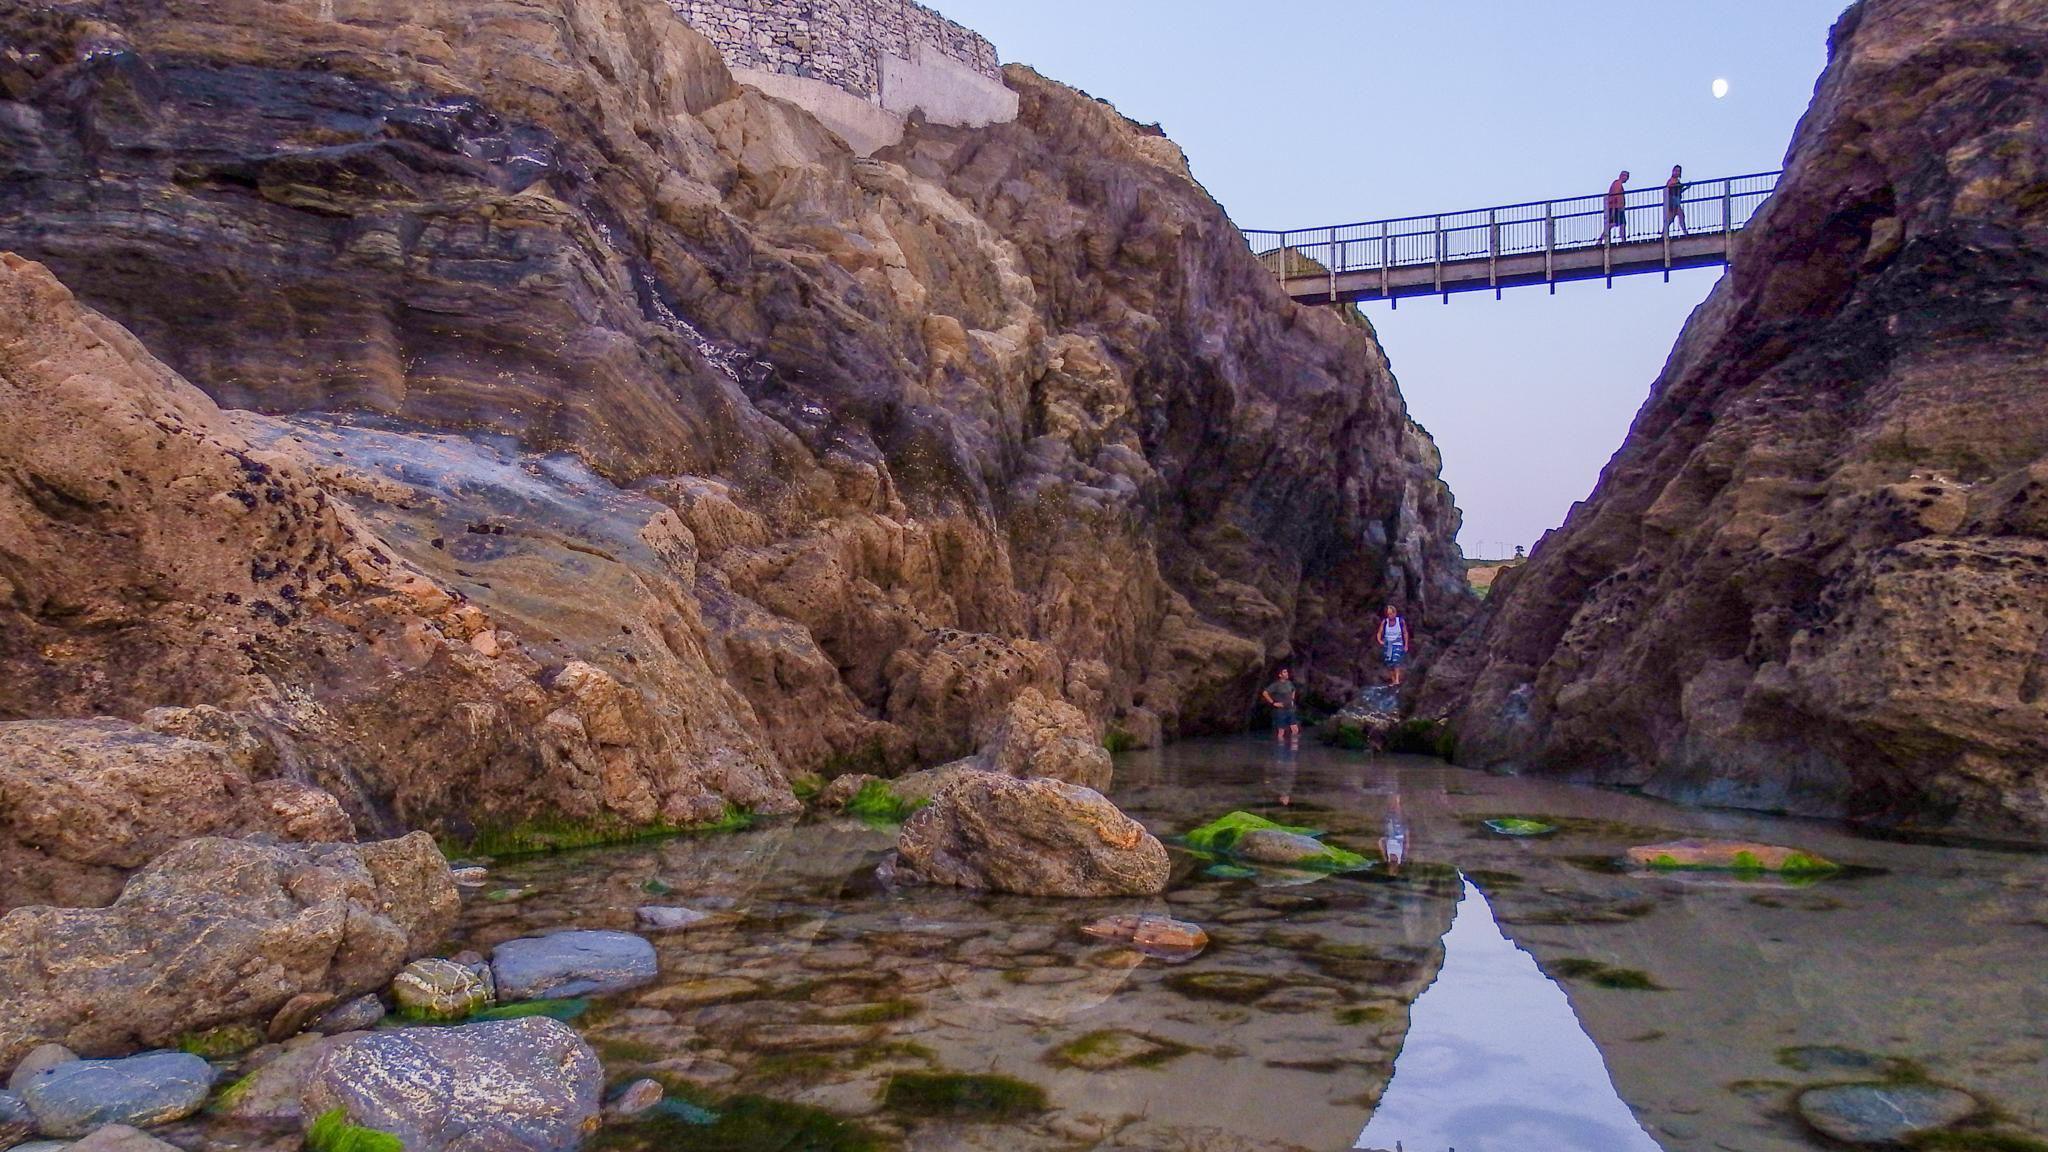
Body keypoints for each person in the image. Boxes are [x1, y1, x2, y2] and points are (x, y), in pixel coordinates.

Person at [1260, 667, 1301, 751]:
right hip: (1281, 711)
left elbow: (1293, 690)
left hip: (1290, 709)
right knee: (1281, 732)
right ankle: (1280, 749)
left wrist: (1292, 700)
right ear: (1280, 675)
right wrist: (1273, 703)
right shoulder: (1276, 685)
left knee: (1295, 730)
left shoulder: (1289, 683)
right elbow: (1265, 693)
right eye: (1284, 672)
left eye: (1287, 672)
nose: (1287, 674)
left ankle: (1293, 748)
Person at [1376, 605, 1409, 687]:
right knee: (1389, 662)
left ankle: (1397, 679)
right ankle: (1393, 680)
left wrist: (1406, 645)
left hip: (1397, 643)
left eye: (1391, 613)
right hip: (1388, 644)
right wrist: (1380, 640)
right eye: (1388, 614)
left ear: (1395, 613)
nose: (1390, 615)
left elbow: (1405, 632)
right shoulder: (1385, 622)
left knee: (1396, 660)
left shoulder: (1400, 621)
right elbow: (1379, 632)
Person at [1600, 170, 1630, 243]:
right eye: (1626, 176)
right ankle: (1601, 239)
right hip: (1616, 208)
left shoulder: (1617, 184)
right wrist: (1613, 209)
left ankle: (1623, 239)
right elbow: (1614, 197)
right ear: (1622, 176)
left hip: (1617, 208)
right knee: (1615, 224)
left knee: (1620, 224)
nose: (1626, 179)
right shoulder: (1617, 184)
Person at [1664, 165, 1689, 236]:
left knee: (1671, 218)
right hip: (1672, 202)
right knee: (1680, 215)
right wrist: (1680, 186)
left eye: (1678, 171)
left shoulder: (1677, 181)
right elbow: (1670, 188)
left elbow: (1678, 191)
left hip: (1675, 201)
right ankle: (1685, 232)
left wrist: (1685, 188)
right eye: (1676, 171)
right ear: (1673, 171)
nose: (1677, 172)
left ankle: (1664, 233)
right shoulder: (1671, 180)